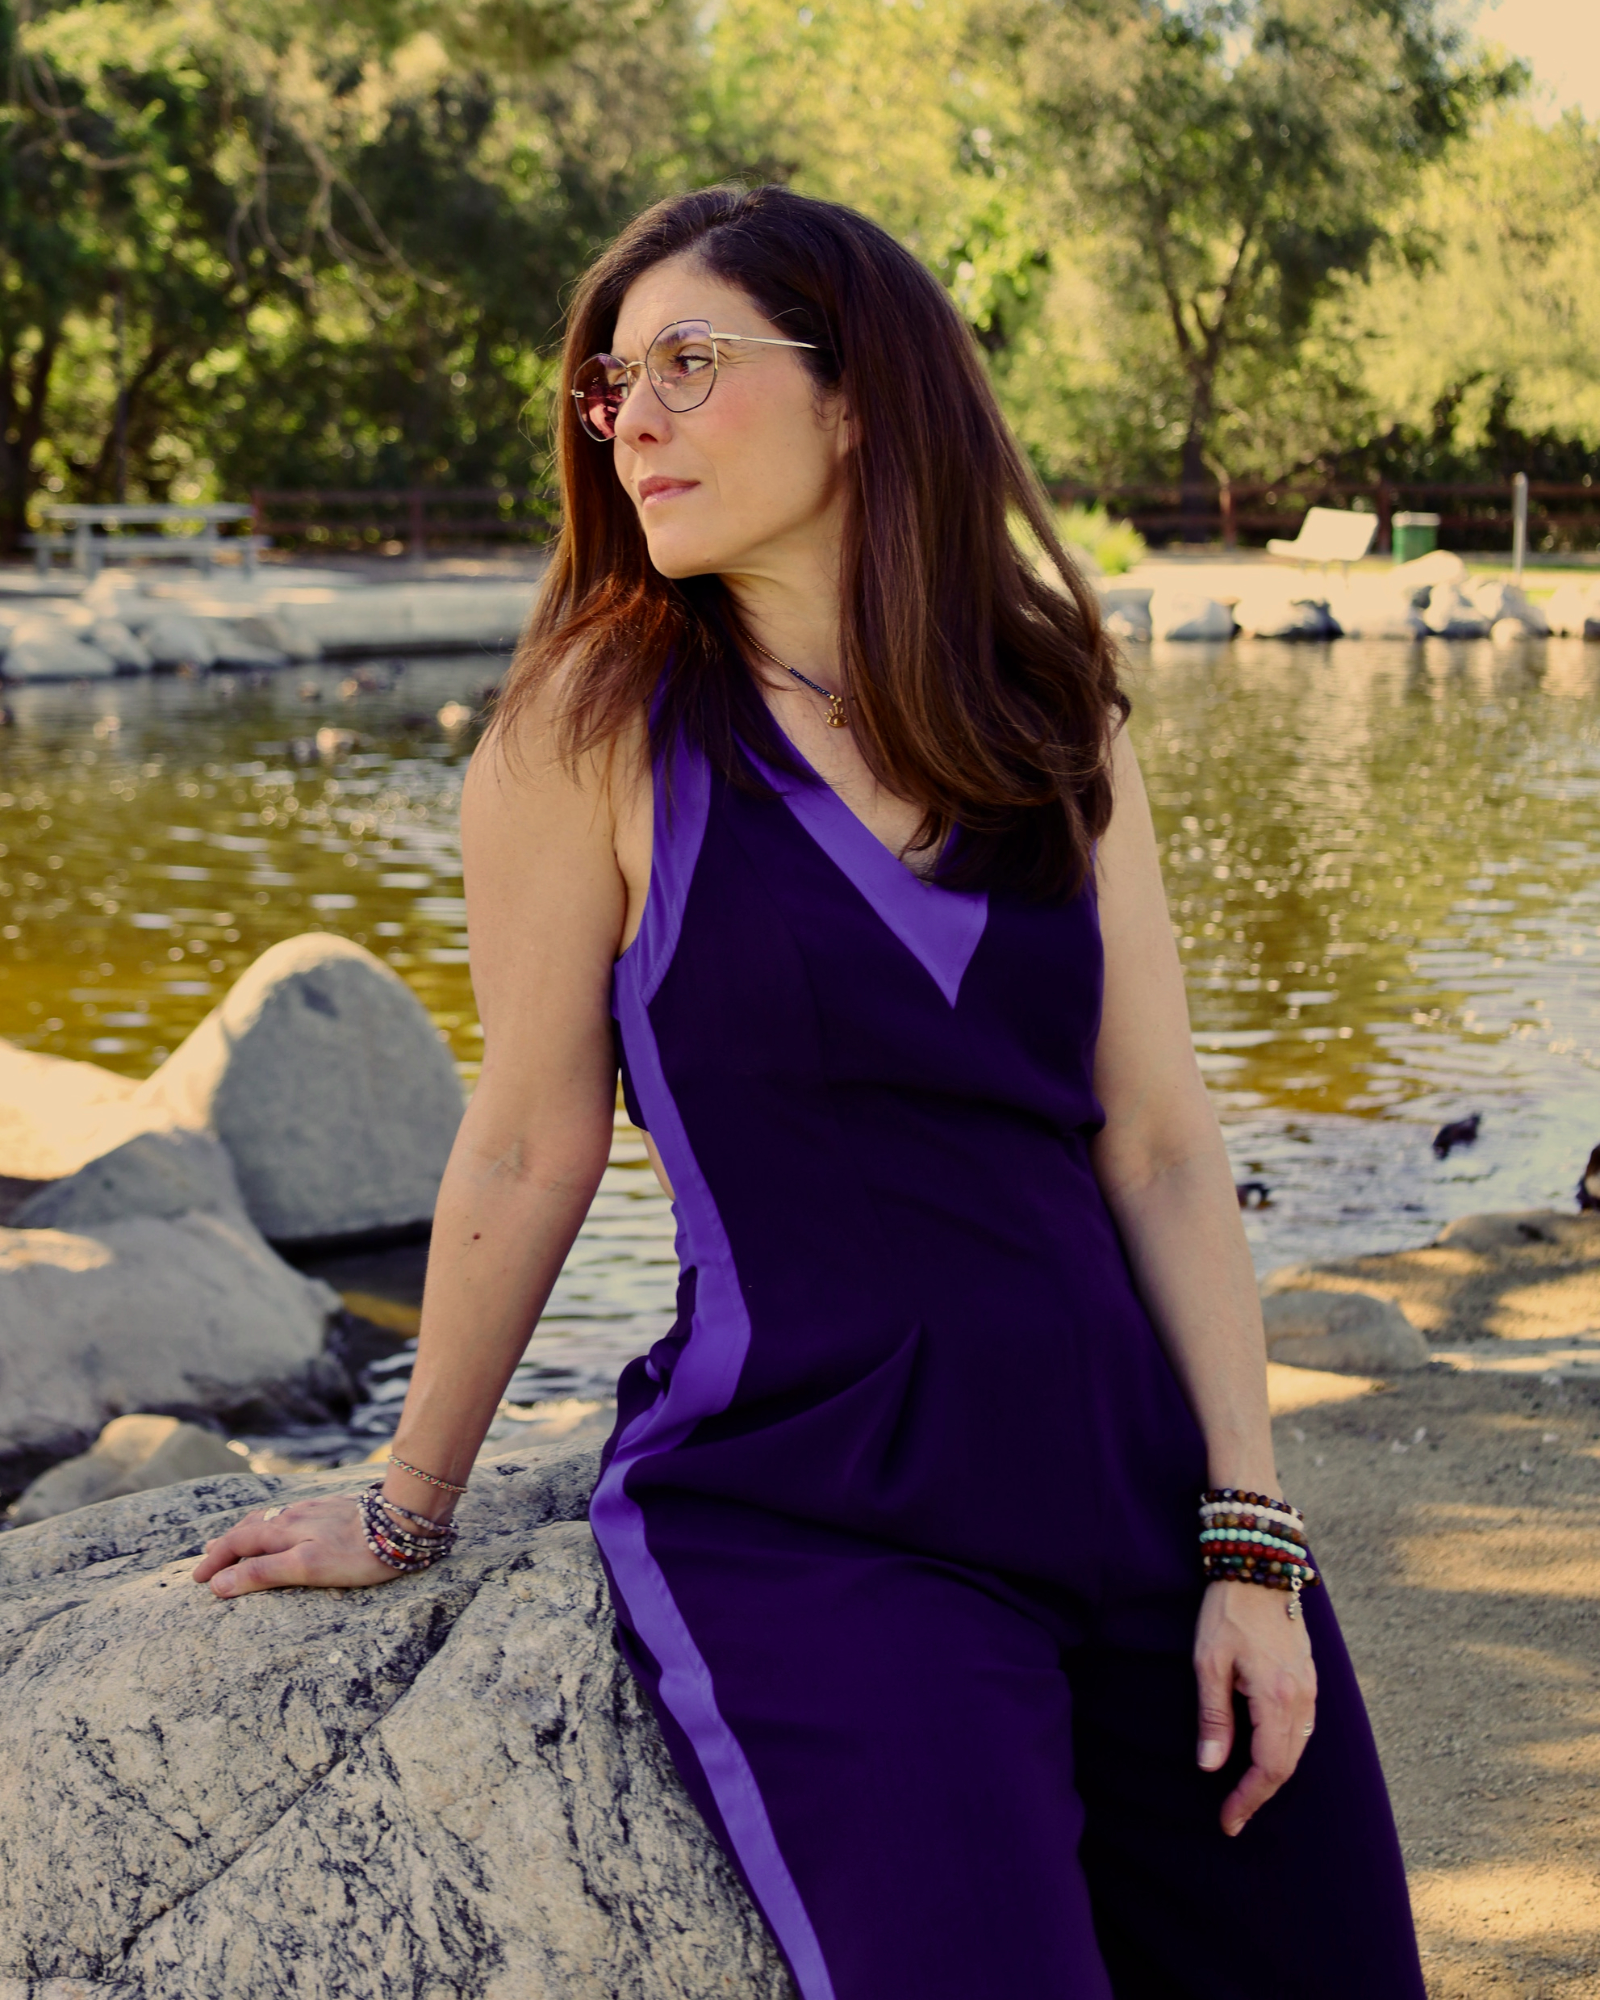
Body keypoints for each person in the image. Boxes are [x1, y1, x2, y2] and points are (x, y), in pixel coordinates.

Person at [194, 184, 1427, 1999]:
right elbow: (536, 1138)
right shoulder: (586, 733)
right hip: (819, 1511)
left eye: (691, 362)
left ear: (858, 397)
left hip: (1129, 1478)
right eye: (614, 383)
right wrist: (405, 1496)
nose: (634, 419)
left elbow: (1158, 1141)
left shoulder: (1050, 704)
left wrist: (1248, 1533)